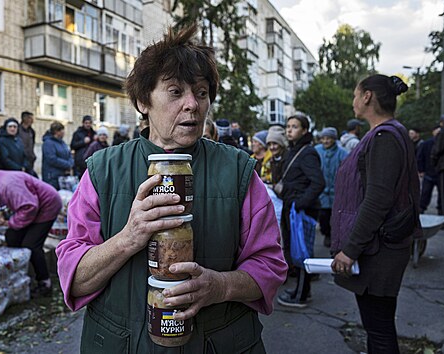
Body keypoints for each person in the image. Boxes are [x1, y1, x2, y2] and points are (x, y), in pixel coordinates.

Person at [55, 25, 287, 352]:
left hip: (218, 343)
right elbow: (74, 278)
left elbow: (271, 266)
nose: (192, 104)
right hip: (122, 343)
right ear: (142, 101)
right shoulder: (102, 170)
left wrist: (219, 287)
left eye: (202, 92)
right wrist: (129, 237)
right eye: (175, 91)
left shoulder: (238, 170)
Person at [331, 74, 420, 354]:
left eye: (356, 94)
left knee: (379, 332)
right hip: (381, 246)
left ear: (367, 96)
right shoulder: (390, 133)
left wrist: (350, 250)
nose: (353, 101)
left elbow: (377, 199)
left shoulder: (384, 137)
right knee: (378, 328)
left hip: (379, 251)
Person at [0, 161, 62, 295]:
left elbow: (29, 207)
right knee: (11, 237)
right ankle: (22, 274)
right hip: (30, 209)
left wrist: (11, 223)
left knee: (31, 245)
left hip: (47, 205)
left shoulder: (8, 184)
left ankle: (45, 283)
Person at [276, 114, 325, 308]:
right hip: (292, 208)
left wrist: (300, 203)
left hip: (300, 211)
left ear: (304, 130)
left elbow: (318, 183)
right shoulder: (294, 150)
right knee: (294, 250)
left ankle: (302, 295)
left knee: (302, 252)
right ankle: (301, 290)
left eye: (294, 127)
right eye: (288, 126)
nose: (289, 130)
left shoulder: (307, 152)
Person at [314, 127, 348, 247]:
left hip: (336, 192)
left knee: (335, 218)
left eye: (328, 138)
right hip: (322, 193)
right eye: (323, 138)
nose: (325, 141)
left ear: (334, 139)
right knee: (323, 217)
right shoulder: (316, 151)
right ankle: (326, 233)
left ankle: (334, 237)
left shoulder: (342, 153)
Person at [416, 126, 442, 214]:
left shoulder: (442, 142)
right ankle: (421, 208)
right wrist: (421, 169)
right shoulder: (426, 143)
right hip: (429, 171)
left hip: (438, 172)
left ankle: (440, 209)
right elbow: (420, 157)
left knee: (440, 193)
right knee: (425, 193)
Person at [42, 121, 73, 190]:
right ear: (56, 131)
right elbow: (52, 159)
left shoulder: (62, 143)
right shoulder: (48, 143)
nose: (64, 132)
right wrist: (67, 164)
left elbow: (69, 154)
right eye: (62, 130)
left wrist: (71, 163)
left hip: (63, 176)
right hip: (52, 177)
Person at [18, 111, 37, 177]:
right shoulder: (18, 130)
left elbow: (32, 144)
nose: (32, 120)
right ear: (24, 118)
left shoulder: (32, 131)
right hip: (20, 159)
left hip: (30, 159)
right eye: (30, 118)